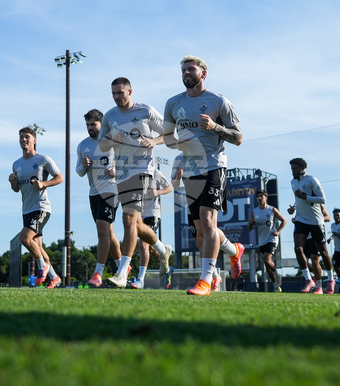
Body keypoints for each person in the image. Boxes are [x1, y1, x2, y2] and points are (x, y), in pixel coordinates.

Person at [163, 56, 244, 296]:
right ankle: (234, 250)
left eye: (191, 69)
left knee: (209, 223)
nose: (186, 73)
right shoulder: (173, 103)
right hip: (190, 171)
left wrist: (215, 127)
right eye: (183, 70)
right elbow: (168, 138)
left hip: (213, 165)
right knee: (200, 232)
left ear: (203, 74)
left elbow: (238, 138)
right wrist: (177, 144)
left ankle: (206, 280)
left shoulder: (219, 102)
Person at [100, 78, 174, 288]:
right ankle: (163, 250)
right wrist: (111, 140)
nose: (116, 97)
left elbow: (169, 133)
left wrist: (154, 141)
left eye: (120, 93)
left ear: (130, 91)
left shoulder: (145, 111)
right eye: (113, 94)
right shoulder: (110, 116)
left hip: (142, 169)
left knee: (128, 219)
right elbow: (102, 145)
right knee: (137, 224)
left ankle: (122, 272)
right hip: (122, 173)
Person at [10, 126, 63, 288]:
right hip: (26, 209)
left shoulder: (43, 160)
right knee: (38, 247)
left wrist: (43, 184)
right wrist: (12, 182)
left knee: (24, 238)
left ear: (34, 140)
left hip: (41, 207)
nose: (24, 140)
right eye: (21, 137)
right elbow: (16, 189)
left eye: (27, 137)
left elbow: (59, 177)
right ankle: (54, 277)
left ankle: (43, 266)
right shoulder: (16, 164)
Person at [76, 109, 121, 287]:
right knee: (108, 233)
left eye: (93, 124)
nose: (90, 128)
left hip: (111, 190)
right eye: (87, 125)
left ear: (101, 124)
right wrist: (83, 165)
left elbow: (126, 163)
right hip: (93, 193)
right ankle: (123, 268)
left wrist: (116, 171)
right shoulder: (83, 145)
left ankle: (98, 273)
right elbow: (79, 172)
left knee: (102, 230)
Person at [287, 158, 328, 294]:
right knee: (298, 248)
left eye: (295, 169)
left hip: (315, 221)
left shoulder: (312, 180)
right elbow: (297, 199)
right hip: (301, 220)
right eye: (292, 169)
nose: (293, 171)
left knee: (323, 252)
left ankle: (323, 284)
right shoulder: (293, 182)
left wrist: (304, 196)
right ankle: (309, 280)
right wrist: (293, 208)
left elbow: (322, 199)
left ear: (302, 168)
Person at [133, 164, 174, 289]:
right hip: (138, 214)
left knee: (143, 243)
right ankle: (168, 269)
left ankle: (140, 280)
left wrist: (157, 192)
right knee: (150, 247)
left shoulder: (155, 173)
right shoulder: (133, 173)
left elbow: (169, 188)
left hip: (152, 213)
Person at [249, 190, 286, 292]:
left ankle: (278, 275)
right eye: (258, 196)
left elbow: (284, 220)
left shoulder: (272, 209)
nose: (260, 198)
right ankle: (276, 286)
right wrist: (250, 224)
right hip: (262, 241)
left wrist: (278, 231)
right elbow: (250, 228)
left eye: (262, 196)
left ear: (266, 198)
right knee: (267, 265)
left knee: (266, 259)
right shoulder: (254, 211)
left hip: (272, 239)